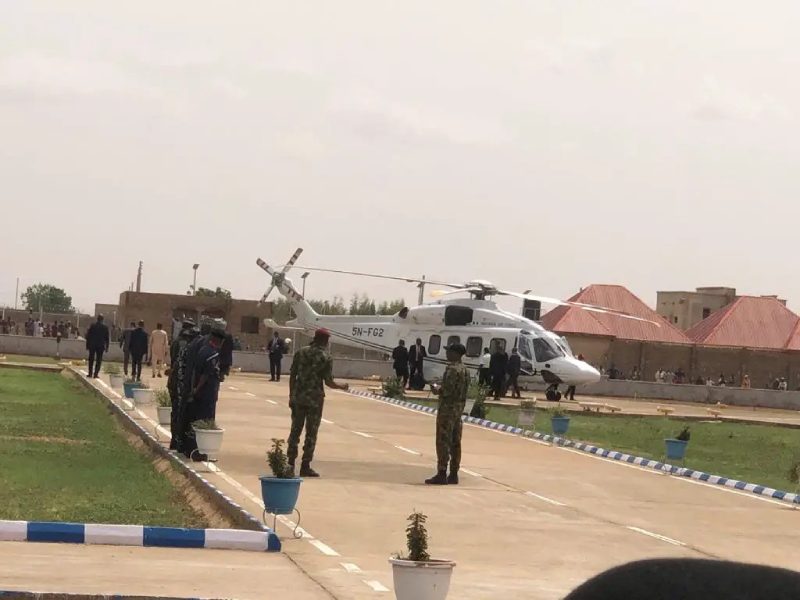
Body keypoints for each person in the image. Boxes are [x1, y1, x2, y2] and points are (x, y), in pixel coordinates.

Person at [288, 329, 349, 477]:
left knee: (295, 430)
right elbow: (328, 381)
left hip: (299, 397)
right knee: (311, 433)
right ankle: (305, 465)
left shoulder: (301, 352)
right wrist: (341, 386)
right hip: (314, 400)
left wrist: (291, 395)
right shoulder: (325, 357)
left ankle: (290, 464)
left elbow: (293, 375)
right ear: (325, 341)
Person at [425, 343, 469, 485]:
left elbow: (447, 390)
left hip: (447, 410)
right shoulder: (465, 370)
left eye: (449, 351)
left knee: (443, 441)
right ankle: (454, 473)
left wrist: (437, 389)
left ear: (456, 353)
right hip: (458, 410)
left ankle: (442, 472)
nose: (447, 354)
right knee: (456, 442)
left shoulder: (452, 369)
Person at [181, 328, 227, 461]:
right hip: (206, 393)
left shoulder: (202, 350)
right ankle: (200, 451)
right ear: (218, 340)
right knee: (205, 421)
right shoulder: (211, 353)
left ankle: (192, 449)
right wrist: (197, 388)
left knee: (196, 419)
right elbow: (205, 375)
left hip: (200, 393)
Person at [167, 320, 198, 451]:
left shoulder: (176, 342)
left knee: (175, 413)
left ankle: (174, 440)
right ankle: (178, 441)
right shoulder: (187, 346)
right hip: (179, 382)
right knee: (180, 413)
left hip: (174, 381)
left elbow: (173, 360)